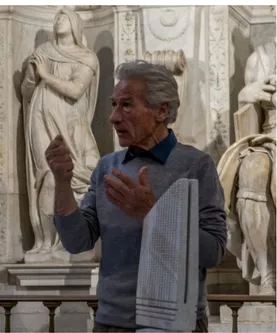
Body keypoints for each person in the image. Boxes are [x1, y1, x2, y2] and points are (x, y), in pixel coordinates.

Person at [46, 60, 227, 332]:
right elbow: (76, 242)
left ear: (161, 110)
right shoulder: (107, 166)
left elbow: (213, 252)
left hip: (177, 324)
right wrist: (62, 181)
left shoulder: (197, 165)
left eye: (127, 105)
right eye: (114, 104)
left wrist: (152, 214)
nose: (114, 117)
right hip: (111, 323)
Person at [21, 7, 100, 258]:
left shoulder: (87, 57)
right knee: (46, 175)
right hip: (40, 118)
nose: (58, 20)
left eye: (64, 16)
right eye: (57, 16)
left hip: (72, 123)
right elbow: (26, 90)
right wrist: (33, 77)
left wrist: (45, 75)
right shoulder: (43, 52)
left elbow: (76, 90)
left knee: (76, 174)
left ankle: (70, 241)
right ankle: (45, 242)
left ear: (76, 24)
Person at [218, 39, 276, 295]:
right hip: (271, 138)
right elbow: (249, 132)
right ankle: (268, 273)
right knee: (251, 167)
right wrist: (246, 98)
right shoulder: (261, 58)